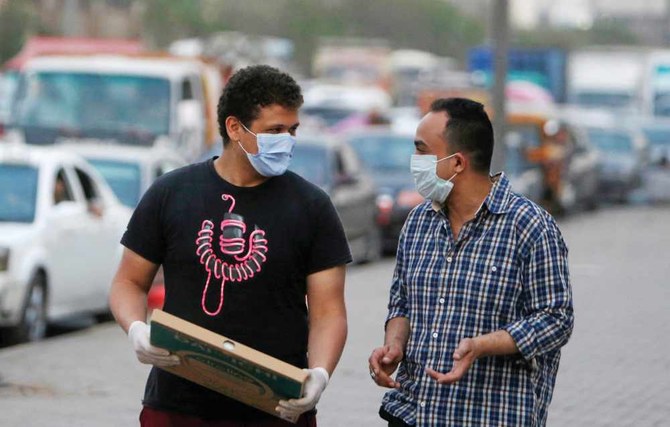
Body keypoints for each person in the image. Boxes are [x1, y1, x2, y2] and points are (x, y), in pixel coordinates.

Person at [109, 65, 351, 426]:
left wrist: (319, 374)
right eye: (275, 131)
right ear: (235, 127)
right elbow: (128, 282)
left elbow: (328, 312)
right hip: (179, 405)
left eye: (292, 130)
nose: (287, 140)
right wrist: (136, 329)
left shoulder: (312, 207)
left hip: (277, 406)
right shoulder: (171, 193)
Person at [368, 98, 574, 426]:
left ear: (458, 163)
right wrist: (393, 346)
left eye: (422, 151)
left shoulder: (529, 226)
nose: (414, 161)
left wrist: (482, 345)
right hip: (414, 411)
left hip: (489, 415)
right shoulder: (419, 221)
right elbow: (401, 305)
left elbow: (556, 320)